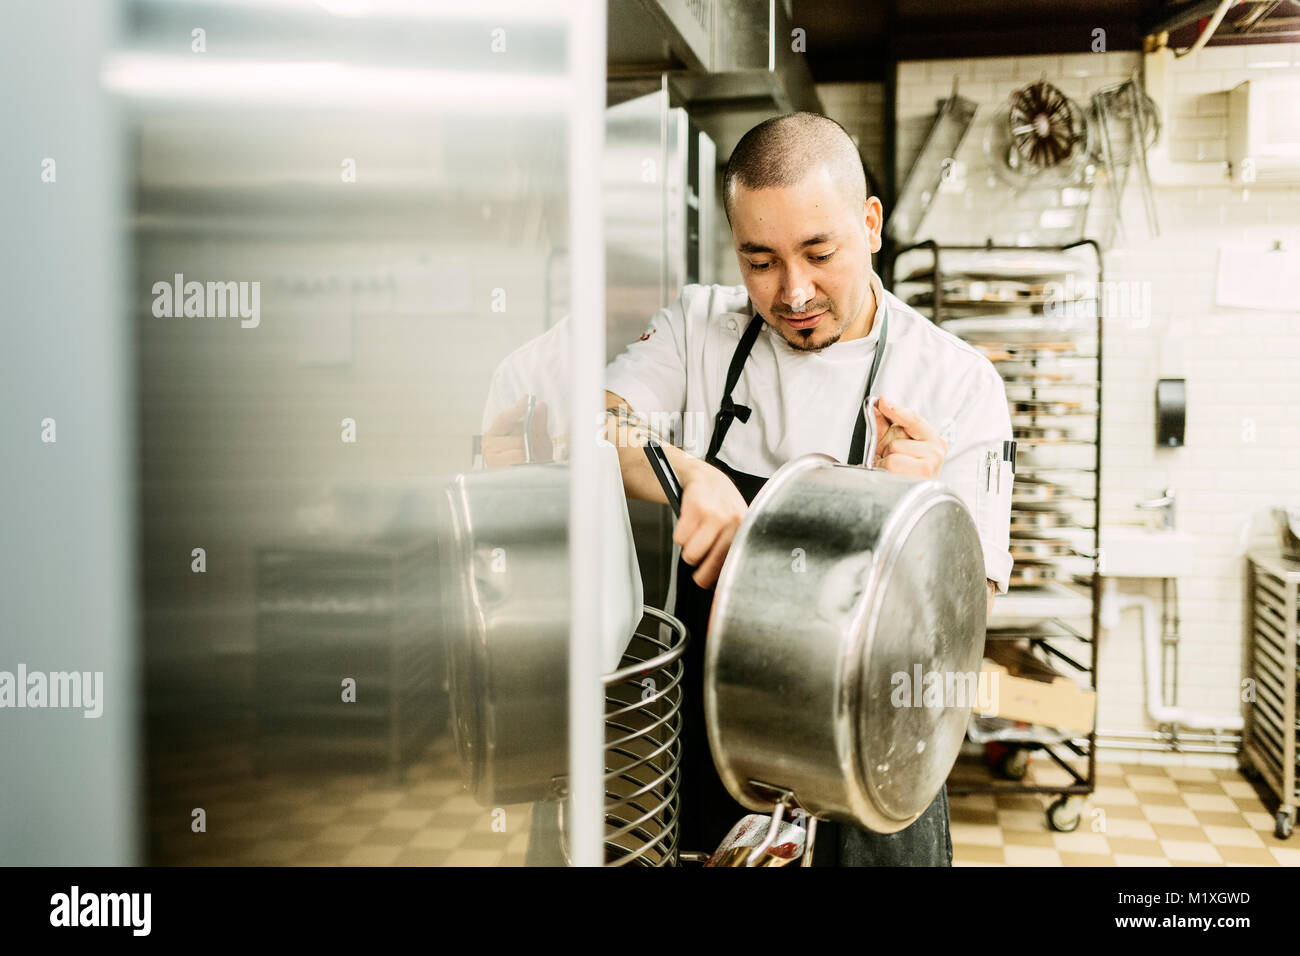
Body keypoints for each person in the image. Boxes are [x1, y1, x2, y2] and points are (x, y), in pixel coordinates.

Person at [601, 112, 1014, 866]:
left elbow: (965, 620)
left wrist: (913, 525)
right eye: (760, 261)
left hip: (873, 770)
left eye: (819, 253)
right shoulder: (701, 328)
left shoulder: (956, 381)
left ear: (871, 224)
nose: (793, 291)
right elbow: (596, 428)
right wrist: (687, 471)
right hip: (724, 753)